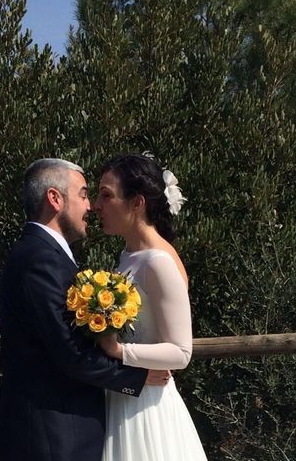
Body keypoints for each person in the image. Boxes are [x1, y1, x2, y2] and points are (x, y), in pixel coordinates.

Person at [0, 158, 169, 461]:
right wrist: (138, 377)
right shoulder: (39, 259)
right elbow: (70, 352)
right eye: (83, 194)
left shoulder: (42, 253)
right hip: (50, 438)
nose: (91, 206)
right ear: (55, 199)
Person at [94, 153, 208, 460]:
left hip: (148, 403)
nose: (96, 206)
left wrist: (118, 351)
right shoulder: (129, 255)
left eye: (106, 196)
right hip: (123, 394)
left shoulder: (159, 262)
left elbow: (181, 352)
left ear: (137, 202)